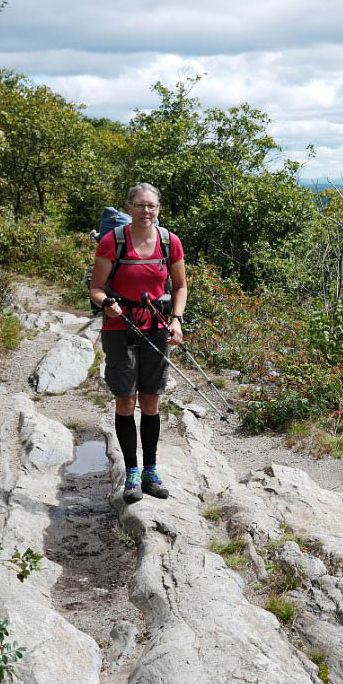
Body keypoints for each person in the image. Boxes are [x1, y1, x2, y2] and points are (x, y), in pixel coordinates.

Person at [89, 183, 187, 504]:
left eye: (152, 206)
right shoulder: (112, 242)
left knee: (151, 401)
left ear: (158, 209)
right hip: (120, 329)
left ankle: (151, 471)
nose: (147, 211)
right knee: (126, 401)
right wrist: (107, 304)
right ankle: (132, 472)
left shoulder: (169, 242)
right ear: (129, 207)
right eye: (140, 205)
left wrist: (176, 320)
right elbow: (97, 289)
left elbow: (180, 286)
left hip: (157, 328)